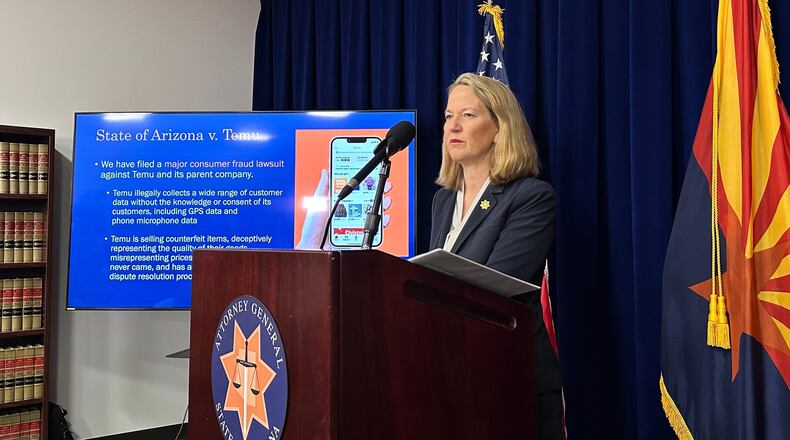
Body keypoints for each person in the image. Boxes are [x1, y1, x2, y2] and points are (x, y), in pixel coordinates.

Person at [430, 73, 563, 439]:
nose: (452, 126)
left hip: (511, 377)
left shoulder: (531, 197)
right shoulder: (443, 201)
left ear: (500, 129)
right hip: (454, 375)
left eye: (468, 115)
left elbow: (497, 286)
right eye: (447, 116)